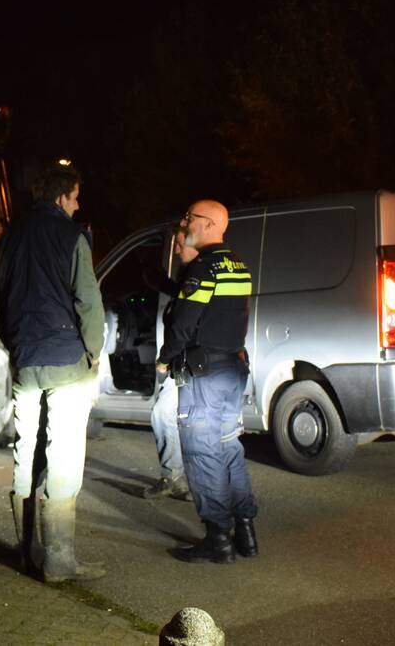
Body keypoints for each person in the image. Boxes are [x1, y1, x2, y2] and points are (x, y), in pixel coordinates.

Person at [0, 164, 106, 583]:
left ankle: (25, 553)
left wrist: (14, 342)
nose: (78, 205)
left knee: (25, 449)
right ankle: (59, 560)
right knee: (64, 453)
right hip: (65, 359)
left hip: (26, 359)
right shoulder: (72, 237)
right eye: (75, 198)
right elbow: (88, 302)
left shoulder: (10, 238)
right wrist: (93, 352)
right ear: (61, 197)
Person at [155, 199, 259, 564]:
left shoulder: (204, 268)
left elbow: (185, 322)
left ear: (211, 223)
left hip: (203, 376)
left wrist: (165, 359)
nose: (184, 224)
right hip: (231, 371)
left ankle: (218, 541)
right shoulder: (237, 264)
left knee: (202, 454)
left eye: (189, 218)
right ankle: (245, 530)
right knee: (229, 449)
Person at [143, 233, 198, 500]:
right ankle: (175, 477)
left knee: (170, 415)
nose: (176, 251)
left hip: (195, 365)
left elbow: (183, 327)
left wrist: (165, 359)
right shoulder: (188, 280)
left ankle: (195, 483)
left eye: (179, 246)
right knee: (164, 414)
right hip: (188, 364)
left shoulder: (198, 277)